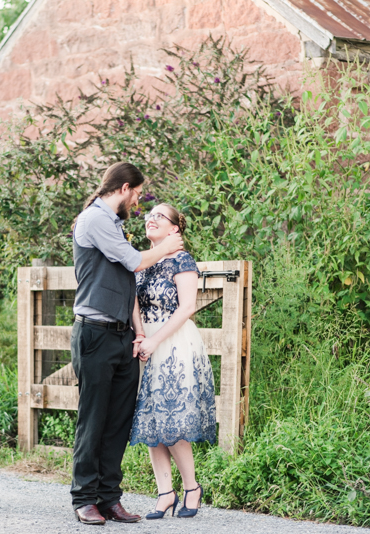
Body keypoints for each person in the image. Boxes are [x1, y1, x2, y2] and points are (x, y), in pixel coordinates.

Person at [70, 163, 184, 525]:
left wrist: (137, 331)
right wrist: (167, 247)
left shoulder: (114, 224)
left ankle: (109, 498)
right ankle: (85, 498)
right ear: (123, 187)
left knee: (117, 421)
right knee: (93, 420)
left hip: (121, 337)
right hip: (95, 334)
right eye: (136, 193)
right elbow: (135, 263)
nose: (137, 201)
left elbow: (127, 285)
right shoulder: (96, 220)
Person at [129, 203, 217, 520]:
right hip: (146, 345)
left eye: (159, 216)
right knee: (150, 419)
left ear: (174, 229)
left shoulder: (181, 260)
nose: (151, 219)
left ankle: (192, 487)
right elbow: (132, 303)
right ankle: (165, 492)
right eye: (148, 215)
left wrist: (154, 339)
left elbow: (187, 307)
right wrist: (140, 335)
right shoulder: (139, 261)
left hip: (174, 343)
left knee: (172, 418)